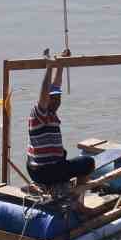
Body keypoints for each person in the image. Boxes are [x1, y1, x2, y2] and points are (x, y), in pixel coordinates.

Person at [26, 49, 95, 192]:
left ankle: (54, 187)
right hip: (45, 171)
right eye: (53, 99)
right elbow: (45, 93)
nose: (57, 101)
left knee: (63, 153)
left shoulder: (51, 113)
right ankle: (77, 201)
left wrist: (61, 63)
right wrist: (49, 67)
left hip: (41, 168)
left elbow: (56, 86)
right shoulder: (40, 113)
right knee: (88, 163)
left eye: (59, 98)